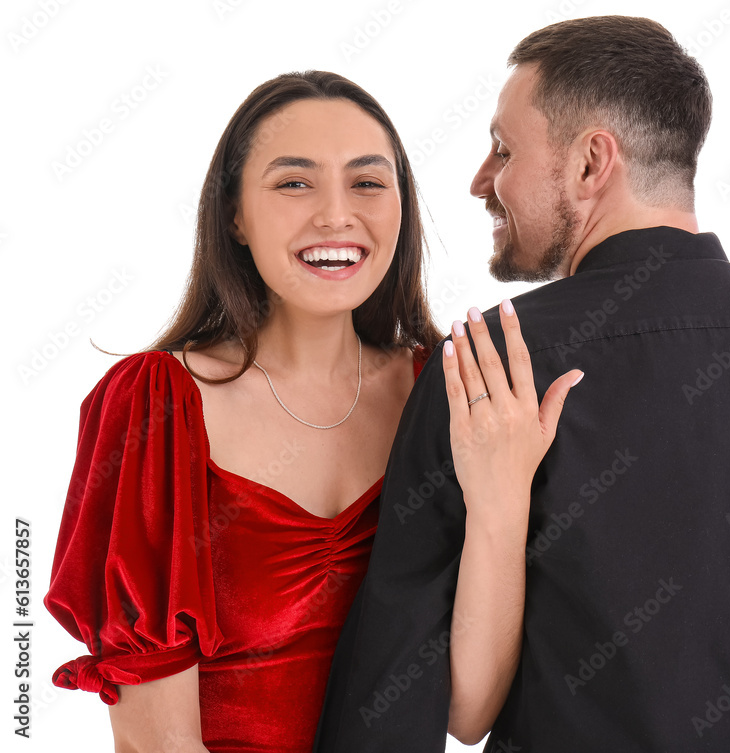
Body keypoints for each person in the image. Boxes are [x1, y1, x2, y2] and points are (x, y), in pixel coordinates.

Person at [313, 16, 730, 753]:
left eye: (504, 149)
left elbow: (386, 715)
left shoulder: (491, 370)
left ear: (593, 162)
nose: (480, 180)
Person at [43, 71, 581, 753]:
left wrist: (502, 498)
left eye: (367, 182)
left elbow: (469, 711)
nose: (335, 214)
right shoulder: (156, 404)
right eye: (294, 182)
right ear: (234, 214)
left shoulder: (449, 390)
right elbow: (158, 744)